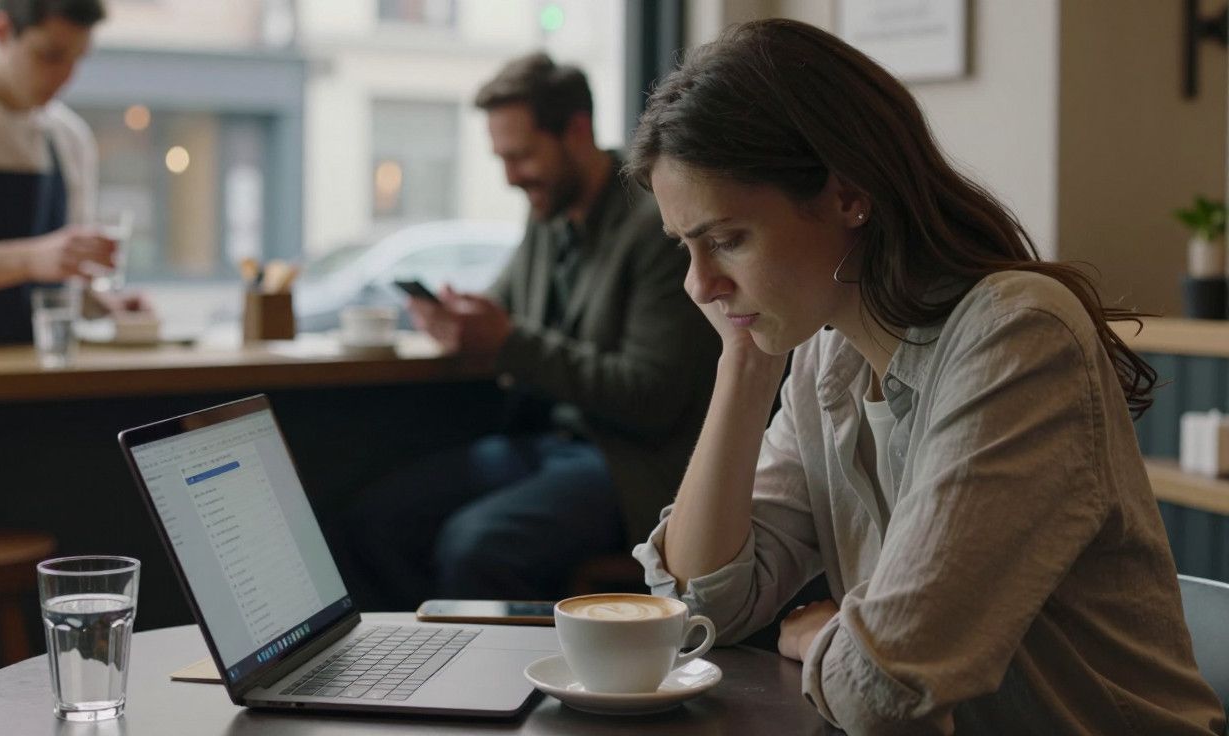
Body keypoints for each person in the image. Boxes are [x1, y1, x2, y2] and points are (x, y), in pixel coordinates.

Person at [626, 19, 1225, 735]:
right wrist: (744, 364)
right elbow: (704, 609)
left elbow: (883, 686)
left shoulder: (1017, 335)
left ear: (848, 195)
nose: (699, 284)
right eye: (684, 248)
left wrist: (822, 634)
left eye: (727, 240)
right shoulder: (829, 355)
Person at [340, 53, 719, 611]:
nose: (511, 177)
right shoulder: (548, 214)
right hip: (552, 447)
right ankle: (419, 674)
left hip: (629, 464)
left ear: (577, 131)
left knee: (474, 546)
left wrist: (507, 341)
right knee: (374, 521)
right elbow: (502, 306)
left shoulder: (656, 224)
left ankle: (493, 688)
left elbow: (651, 396)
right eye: (502, 158)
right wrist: (456, 319)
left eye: (521, 156)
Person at [0, 0, 141, 345]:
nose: (65, 75)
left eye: (76, 59)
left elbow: (65, 279)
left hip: (44, 378)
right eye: (50, 55)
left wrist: (104, 307)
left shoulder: (72, 139)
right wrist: (33, 259)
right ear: (2, 30)